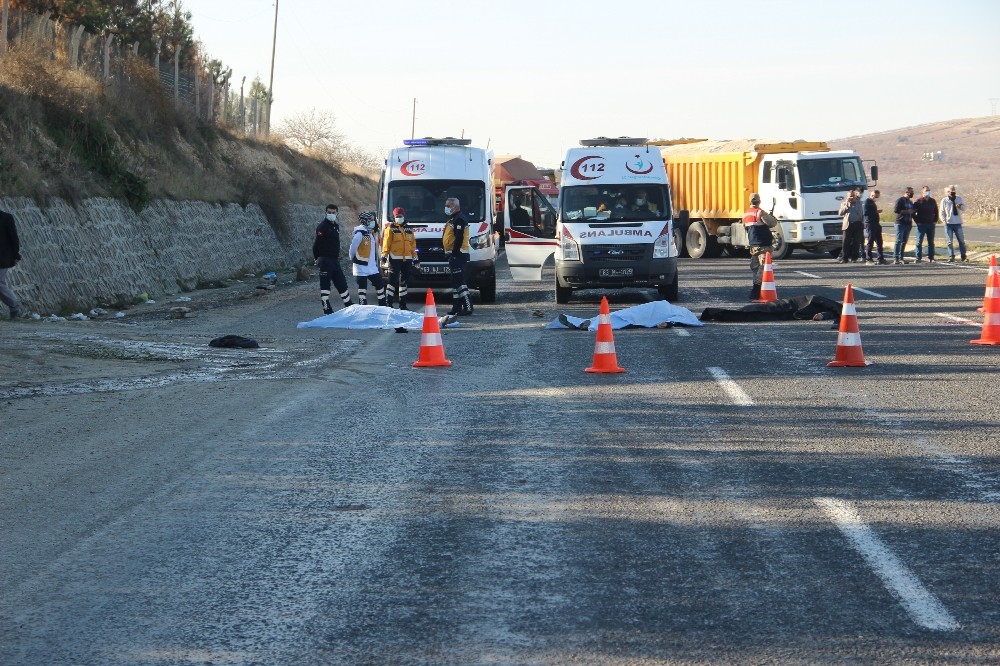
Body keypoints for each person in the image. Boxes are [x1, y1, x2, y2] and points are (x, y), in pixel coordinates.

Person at [312, 203, 352, 314]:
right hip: (325, 260)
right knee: (325, 286)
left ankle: (349, 306)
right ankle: (327, 309)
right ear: (325, 213)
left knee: (341, 283)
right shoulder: (322, 227)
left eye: (333, 213)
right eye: (329, 212)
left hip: (335, 260)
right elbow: (316, 245)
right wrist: (317, 259)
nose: (331, 214)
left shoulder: (336, 226)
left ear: (337, 213)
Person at [381, 206, 418, 310]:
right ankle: (389, 304)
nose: (399, 218)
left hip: (407, 259)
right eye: (397, 216)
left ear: (404, 216)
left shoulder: (409, 229)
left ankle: (403, 304)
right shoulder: (391, 229)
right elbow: (386, 244)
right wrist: (384, 256)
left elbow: (413, 246)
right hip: (395, 259)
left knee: (404, 282)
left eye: (400, 216)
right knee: (392, 282)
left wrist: (416, 259)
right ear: (394, 217)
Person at [742, 193, 778, 300]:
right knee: (763, 268)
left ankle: (756, 289)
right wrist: (770, 215)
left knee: (755, 268)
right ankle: (757, 290)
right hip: (764, 245)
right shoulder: (760, 212)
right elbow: (772, 223)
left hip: (753, 245)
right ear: (759, 202)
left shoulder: (745, 215)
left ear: (750, 201)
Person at [442, 196, 473, 315]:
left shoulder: (459, 219)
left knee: (460, 282)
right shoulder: (452, 219)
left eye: (448, 206)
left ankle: (468, 306)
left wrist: (454, 254)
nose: (445, 208)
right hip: (453, 255)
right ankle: (456, 308)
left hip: (458, 255)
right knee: (455, 283)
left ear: (455, 206)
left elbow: (459, 238)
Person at [349, 211, 387, 306]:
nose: (372, 221)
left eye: (373, 219)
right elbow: (352, 249)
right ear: (364, 221)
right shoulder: (359, 233)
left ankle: (383, 305)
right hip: (361, 266)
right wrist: (354, 259)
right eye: (370, 219)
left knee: (380, 284)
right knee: (362, 288)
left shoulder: (370, 233)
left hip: (372, 267)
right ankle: (363, 308)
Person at [1, 208, 24, 320]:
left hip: (2, 257)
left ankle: (14, 305)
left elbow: (14, 237)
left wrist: (15, 254)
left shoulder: (6, 218)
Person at [940, 185, 967, 262]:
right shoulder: (944, 200)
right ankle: (951, 256)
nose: (952, 192)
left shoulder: (959, 198)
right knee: (949, 241)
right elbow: (941, 211)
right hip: (948, 223)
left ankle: (963, 256)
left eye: (953, 190)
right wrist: (943, 220)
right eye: (949, 191)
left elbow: (965, 208)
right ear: (946, 192)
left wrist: (960, 206)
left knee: (961, 240)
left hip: (958, 222)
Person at [912, 185, 939, 262]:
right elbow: (913, 213)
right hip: (921, 225)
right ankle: (918, 258)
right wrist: (917, 222)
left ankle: (931, 257)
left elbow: (936, 212)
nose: (928, 192)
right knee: (919, 242)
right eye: (926, 190)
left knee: (931, 242)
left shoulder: (932, 201)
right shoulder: (918, 201)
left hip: (931, 225)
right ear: (922, 192)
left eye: (929, 190)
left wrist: (935, 221)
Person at [838, 189, 864, 263]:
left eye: (853, 196)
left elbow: (861, 214)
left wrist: (862, 224)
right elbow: (840, 213)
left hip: (857, 224)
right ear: (847, 197)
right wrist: (847, 205)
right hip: (848, 224)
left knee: (856, 241)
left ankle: (854, 258)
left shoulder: (859, 203)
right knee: (846, 242)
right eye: (850, 196)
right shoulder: (844, 204)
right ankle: (844, 258)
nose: (851, 198)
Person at [892, 186, 917, 264]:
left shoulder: (910, 202)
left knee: (904, 241)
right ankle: (896, 258)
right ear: (907, 192)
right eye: (911, 192)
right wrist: (907, 211)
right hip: (900, 223)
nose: (912, 193)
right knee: (898, 241)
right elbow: (896, 210)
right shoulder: (900, 200)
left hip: (908, 223)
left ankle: (901, 257)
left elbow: (912, 213)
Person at [863, 189, 885, 264]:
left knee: (879, 241)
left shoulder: (872, 202)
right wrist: (876, 211)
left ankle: (880, 258)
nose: (874, 197)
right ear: (871, 195)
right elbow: (866, 213)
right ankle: (868, 259)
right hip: (870, 223)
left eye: (876, 196)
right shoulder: (867, 202)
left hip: (876, 223)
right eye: (873, 196)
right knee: (870, 241)